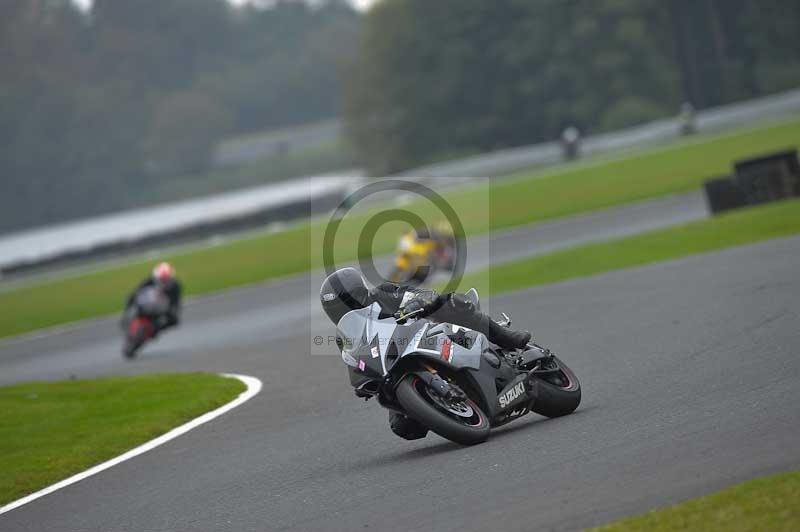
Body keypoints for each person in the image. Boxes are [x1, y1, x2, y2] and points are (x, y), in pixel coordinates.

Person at [320, 267, 531, 440]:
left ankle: (506, 336)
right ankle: (443, 410)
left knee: (451, 302)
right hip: (394, 365)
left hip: (428, 333)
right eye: (337, 308)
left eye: (348, 302)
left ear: (359, 293)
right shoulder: (345, 336)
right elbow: (354, 362)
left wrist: (414, 303)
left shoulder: (383, 293)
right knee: (403, 427)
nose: (344, 310)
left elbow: (425, 294)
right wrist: (363, 382)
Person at [124, 262, 182, 337]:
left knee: (174, 320)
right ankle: (127, 319)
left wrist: (173, 310)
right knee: (131, 299)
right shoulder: (151, 280)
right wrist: (133, 298)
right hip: (148, 303)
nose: (163, 281)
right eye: (162, 279)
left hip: (162, 307)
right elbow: (138, 290)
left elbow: (176, 302)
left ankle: (155, 330)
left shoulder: (175, 286)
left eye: (165, 279)